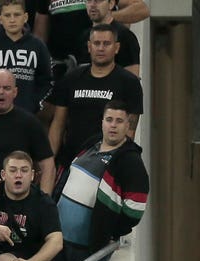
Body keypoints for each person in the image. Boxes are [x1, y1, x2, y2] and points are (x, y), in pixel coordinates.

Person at [54, 99, 149, 261]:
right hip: (59, 240)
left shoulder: (130, 161)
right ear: (102, 122)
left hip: (88, 248)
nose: (113, 125)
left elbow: (135, 209)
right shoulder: (90, 144)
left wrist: (110, 230)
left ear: (128, 124)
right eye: (109, 119)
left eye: (119, 121)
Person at [48, 25, 143, 170]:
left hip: (109, 166)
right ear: (89, 46)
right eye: (96, 43)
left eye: (106, 43)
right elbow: (58, 124)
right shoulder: (71, 79)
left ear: (116, 47)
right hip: (71, 162)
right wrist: (49, 161)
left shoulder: (129, 83)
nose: (101, 48)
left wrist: (119, 164)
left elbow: (130, 132)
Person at [0, 0, 52, 114]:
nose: (12, 20)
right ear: (0, 19)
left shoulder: (38, 46)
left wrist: (36, 104)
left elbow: (47, 81)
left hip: (27, 115)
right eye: (7, 15)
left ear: (25, 17)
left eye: (17, 15)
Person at [75, 0, 141, 77]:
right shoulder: (83, 37)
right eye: (89, 1)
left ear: (111, 4)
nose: (92, 5)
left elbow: (132, 79)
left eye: (98, 1)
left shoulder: (125, 36)